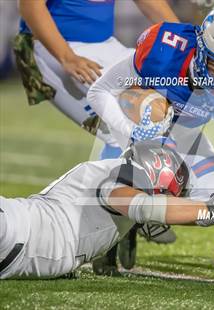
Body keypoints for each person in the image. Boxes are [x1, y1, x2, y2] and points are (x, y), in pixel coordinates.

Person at [15, 0, 180, 275]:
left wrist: (189, 44)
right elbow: (30, 6)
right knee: (117, 133)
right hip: (51, 45)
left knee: (162, 112)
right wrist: (67, 57)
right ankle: (105, 234)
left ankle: (129, 212)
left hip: (105, 45)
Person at [87, 3, 214, 251]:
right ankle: (118, 195)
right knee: (156, 110)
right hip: (141, 119)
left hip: (186, 133)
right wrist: (130, 132)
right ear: (201, 48)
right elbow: (99, 91)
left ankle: (140, 217)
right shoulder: (165, 50)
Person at [0, 140, 214, 279]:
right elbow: (145, 208)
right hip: (15, 230)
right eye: (171, 196)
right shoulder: (123, 176)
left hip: (17, 243)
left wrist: (210, 213)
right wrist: (210, 208)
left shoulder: (119, 174)